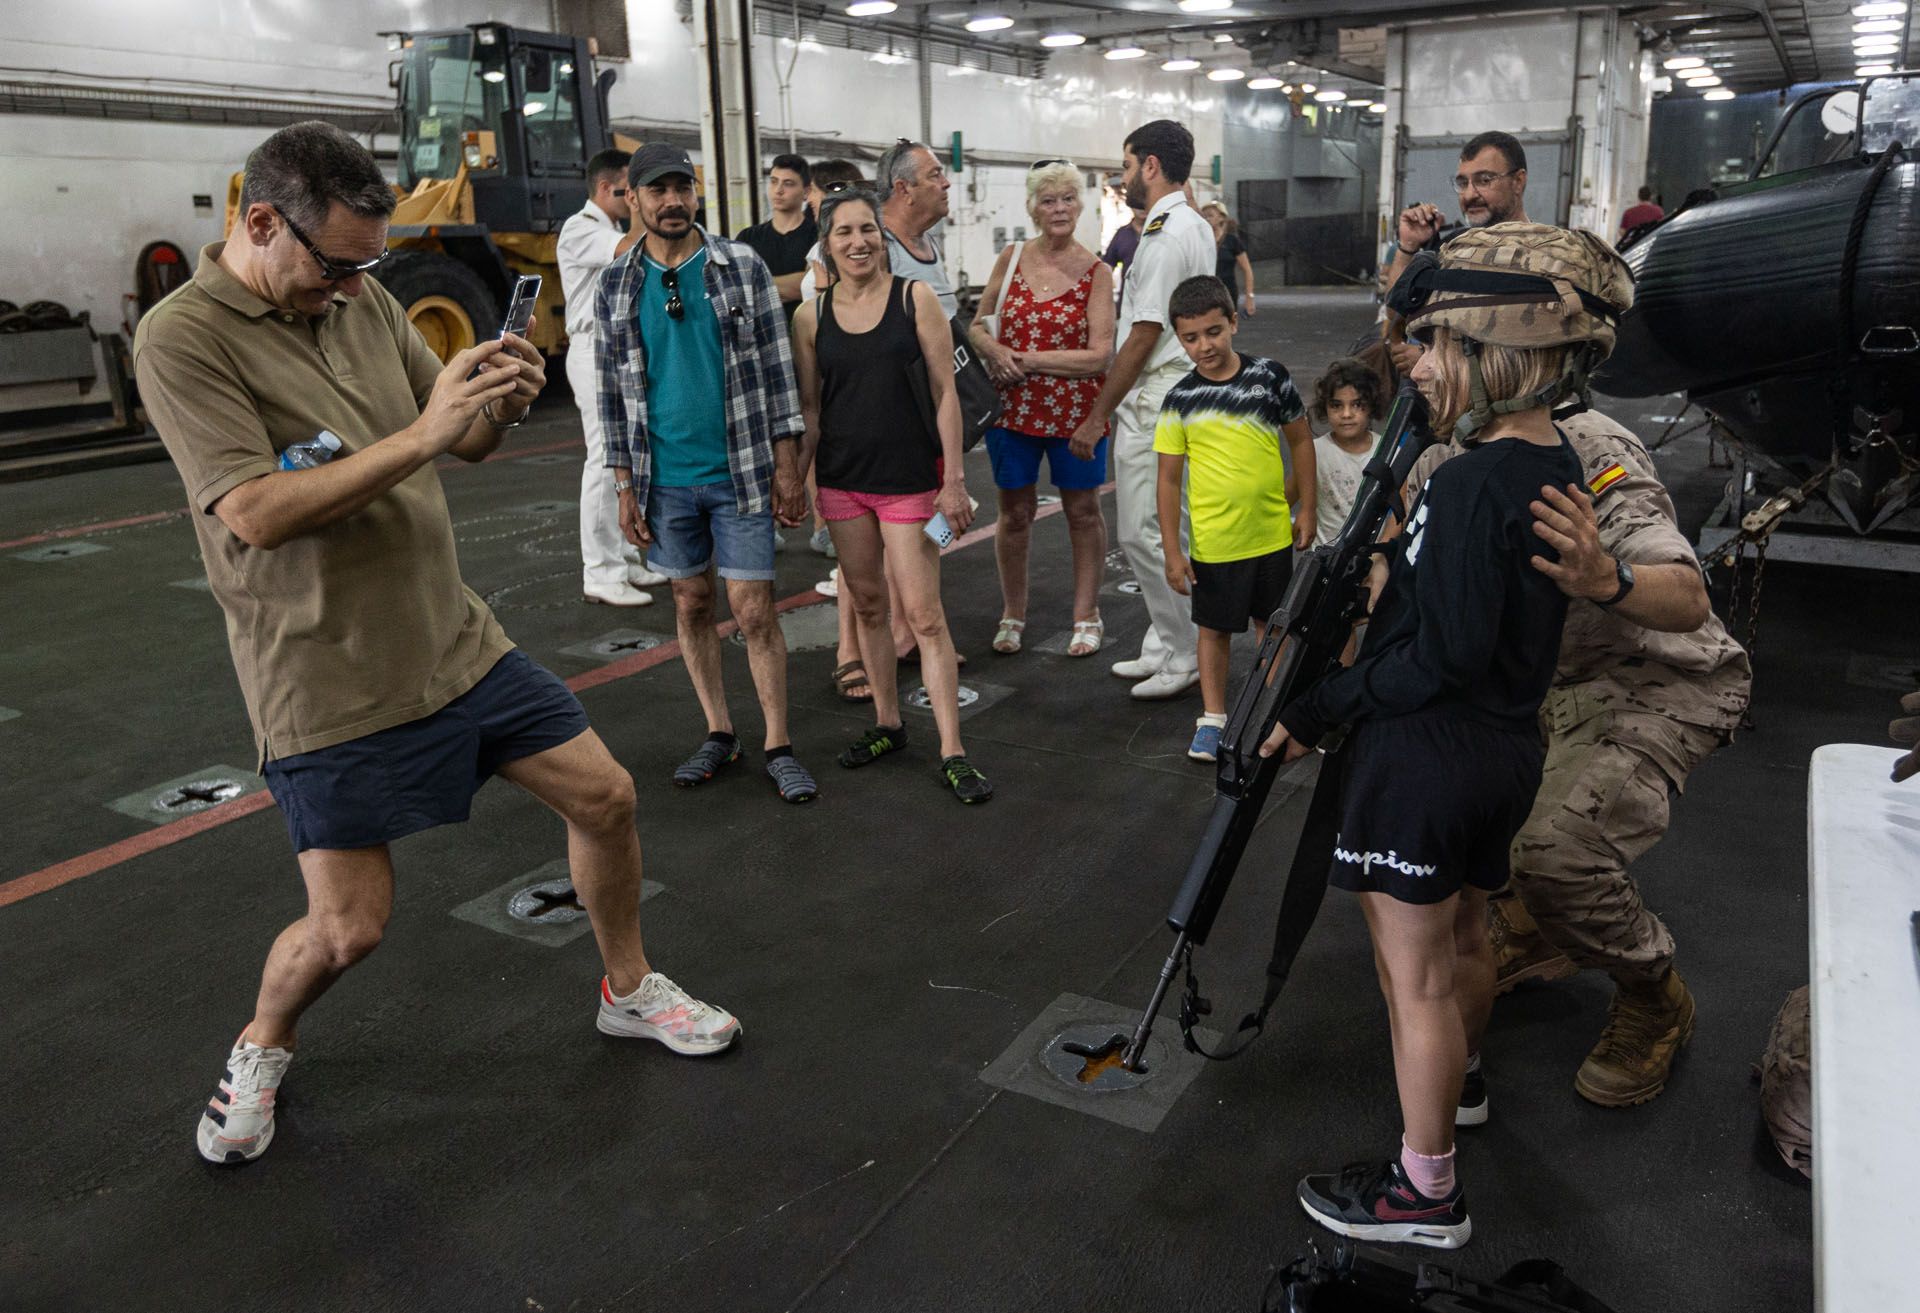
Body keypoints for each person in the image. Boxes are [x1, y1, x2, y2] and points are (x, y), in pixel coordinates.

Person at [130, 122, 740, 1165]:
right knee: (348, 929)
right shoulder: (183, 338)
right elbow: (256, 512)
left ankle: (628, 988)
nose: (356, 284)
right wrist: (419, 432)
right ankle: (261, 1042)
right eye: (337, 263)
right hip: (324, 674)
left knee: (606, 794)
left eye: (369, 264)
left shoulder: (359, 297)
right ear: (262, 222)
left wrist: (493, 395)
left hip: (454, 639)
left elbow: (462, 435)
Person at [1260, 222, 1630, 1248]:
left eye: (1432, 344)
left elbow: (1439, 659)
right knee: (1466, 934)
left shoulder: (1470, 482)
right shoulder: (1548, 459)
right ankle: (1457, 1086)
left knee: (1411, 977)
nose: (1412, 362)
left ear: (1492, 351)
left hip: (1429, 755)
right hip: (1503, 751)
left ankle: (1426, 1191)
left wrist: (1317, 709)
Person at [1407, 404, 1750, 1107]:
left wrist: (1606, 577)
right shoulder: (1437, 459)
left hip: (1647, 675)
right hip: (1532, 686)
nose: (1414, 363)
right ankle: (1537, 927)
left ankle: (1654, 994)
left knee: (1555, 853)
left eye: (1432, 341)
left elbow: (1686, 596)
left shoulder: (1587, 445)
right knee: (1448, 797)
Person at [593, 144, 819, 803]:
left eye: (681, 189)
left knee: (752, 609)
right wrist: (625, 486)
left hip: (741, 469)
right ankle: (720, 730)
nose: (671, 202)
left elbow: (778, 373)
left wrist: (789, 467)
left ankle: (778, 741)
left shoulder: (739, 265)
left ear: (697, 195)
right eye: (656, 191)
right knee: (691, 600)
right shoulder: (616, 282)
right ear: (630, 200)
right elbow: (611, 392)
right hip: (663, 478)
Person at [791, 187, 992, 804]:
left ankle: (954, 752)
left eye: (868, 230)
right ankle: (887, 724)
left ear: (883, 236)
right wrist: (797, 484)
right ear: (826, 244)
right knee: (870, 608)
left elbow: (946, 393)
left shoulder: (916, 298)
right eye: (844, 232)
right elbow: (810, 409)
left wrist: (952, 481)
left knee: (926, 619)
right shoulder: (810, 316)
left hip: (908, 483)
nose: (858, 242)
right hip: (843, 483)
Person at [1069, 119, 1216, 700]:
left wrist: (1097, 413)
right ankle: (1166, 638)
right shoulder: (1191, 223)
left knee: (1145, 533)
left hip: (1156, 399)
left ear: (1150, 165)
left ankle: (1184, 653)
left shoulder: (1165, 232)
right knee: (1167, 528)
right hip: (1173, 394)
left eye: (1128, 165)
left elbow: (1143, 333)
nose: (1124, 177)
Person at [1154, 276, 1316, 761]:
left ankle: (1274, 711)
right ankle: (1213, 718)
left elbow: (1302, 441)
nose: (1204, 345)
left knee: (1273, 628)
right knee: (1213, 632)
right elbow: (1167, 481)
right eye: (1191, 337)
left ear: (1233, 324)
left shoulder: (1270, 377)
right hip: (1214, 545)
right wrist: (1171, 550)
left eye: (1213, 331)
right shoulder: (1179, 401)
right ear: (1179, 339)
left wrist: (1306, 507)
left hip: (1270, 538)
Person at [968, 158, 1116, 659]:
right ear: (1032, 207)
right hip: (1012, 413)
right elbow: (976, 326)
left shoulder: (1097, 273)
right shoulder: (1010, 258)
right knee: (1014, 514)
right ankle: (1012, 612)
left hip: (1076, 414)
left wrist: (1025, 359)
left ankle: (1086, 614)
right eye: (1048, 200)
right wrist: (994, 352)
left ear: (1081, 205)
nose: (1058, 208)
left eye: (1067, 199)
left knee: (1082, 511)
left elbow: (1100, 354)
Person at [558, 146, 669, 607]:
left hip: (618, 349)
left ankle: (622, 557)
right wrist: (647, 208)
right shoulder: (580, 229)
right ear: (609, 189)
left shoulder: (608, 227)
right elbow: (632, 249)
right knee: (605, 461)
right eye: (631, 191)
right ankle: (599, 572)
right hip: (592, 351)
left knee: (627, 454)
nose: (636, 201)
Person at [875, 139, 958, 318]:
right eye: (935, 175)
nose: (946, 183)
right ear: (904, 189)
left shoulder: (925, 239)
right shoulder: (875, 245)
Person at [1311, 357, 1386, 547]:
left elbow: (1399, 511)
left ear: (1371, 406)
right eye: (1336, 405)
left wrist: (1380, 556)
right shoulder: (1314, 452)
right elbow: (1286, 499)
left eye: (1357, 404)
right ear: (1325, 407)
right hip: (1324, 561)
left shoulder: (1387, 451)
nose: (1346, 414)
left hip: (1372, 560)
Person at [734, 153, 817, 323]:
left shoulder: (818, 235)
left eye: (788, 184)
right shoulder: (748, 237)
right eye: (773, 181)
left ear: (806, 192)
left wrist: (754, 284)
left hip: (804, 329)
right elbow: (737, 288)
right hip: (761, 332)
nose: (778, 190)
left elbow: (812, 286)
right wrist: (798, 280)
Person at [1200, 201, 1256, 318]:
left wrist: (1249, 297)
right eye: (1204, 216)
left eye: (1210, 215)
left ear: (1221, 218)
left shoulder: (1232, 241)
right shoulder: (1199, 240)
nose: (1207, 219)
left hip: (1227, 293)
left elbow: (1247, 270)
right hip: (1204, 294)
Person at [1102, 185, 1147, 306]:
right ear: (1130, 205)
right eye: (1137, 203)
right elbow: (1106, 268)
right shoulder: (1122, 234)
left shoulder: (1163, 232)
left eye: (1145, 202)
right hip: (1126, 304)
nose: (1142, 207)